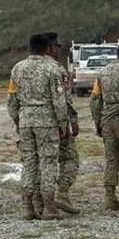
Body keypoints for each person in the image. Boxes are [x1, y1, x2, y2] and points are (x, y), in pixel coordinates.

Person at [7, 33, 71, 220]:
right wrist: (63, 123)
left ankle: (28, 207)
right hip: (46, 121)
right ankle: (49, 208)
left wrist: (18, 121)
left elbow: (11, 99)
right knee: (48, 162)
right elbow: (59, 100)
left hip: (25, 120)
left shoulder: (17, 68)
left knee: (29, 162)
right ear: (46, 48)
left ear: (30, 48)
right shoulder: (51, 69)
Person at [89, 41, 119, 210]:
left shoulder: (102, 72)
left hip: (107, 119)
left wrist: (98, 123)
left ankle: (110, 197)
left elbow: (95, 100)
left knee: (111, 159)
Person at [46, 32, 81, 215]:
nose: (60, 49)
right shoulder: (57, 70)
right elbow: (64, 99)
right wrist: (70, 122)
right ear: (50, 48)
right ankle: (62, 194)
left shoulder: (21, 68)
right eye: (57, 46)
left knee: (41, 161)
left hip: (31, 123)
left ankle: (39, 202)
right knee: (70, 158)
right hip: (55, 123)